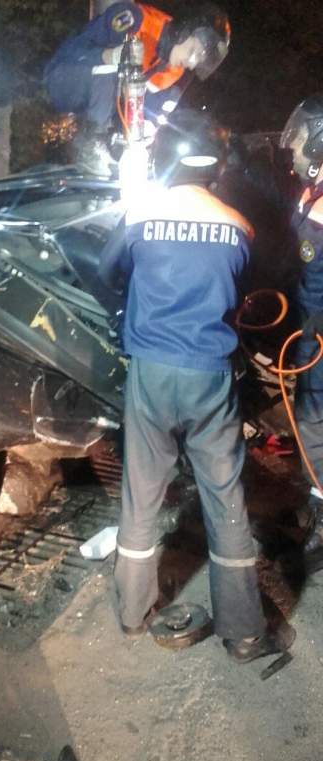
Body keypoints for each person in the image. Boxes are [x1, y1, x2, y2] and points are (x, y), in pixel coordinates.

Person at [98, 108, 291, 664]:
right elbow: (251, 286)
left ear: (163, 158)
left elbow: (108, 274)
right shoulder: (237, 225)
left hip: (152, 373)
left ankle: (133, 614)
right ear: (219, 164)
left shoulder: (139, 215)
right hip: (210, 376)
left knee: (141, 493)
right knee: (225, 499)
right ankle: (245, 634)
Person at [44, 1, 230, 174]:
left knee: (158, 104)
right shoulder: (133, 18)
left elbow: (142, 104)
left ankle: (108, 145)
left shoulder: (173, 71)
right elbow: (74, 52)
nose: (191, 64)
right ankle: (91, 147)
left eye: (198, 61)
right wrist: (112, 56)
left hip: (97, 103)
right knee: (117, 67)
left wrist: (146, 129)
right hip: (64, 78)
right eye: (194, 52)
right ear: (184, 30)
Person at [278, 94, 323, 574]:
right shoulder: (313, 192)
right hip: (312, 323)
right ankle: (316, 498)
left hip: (322, 329)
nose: (294, 147)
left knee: (315, 420)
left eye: (302, 139)